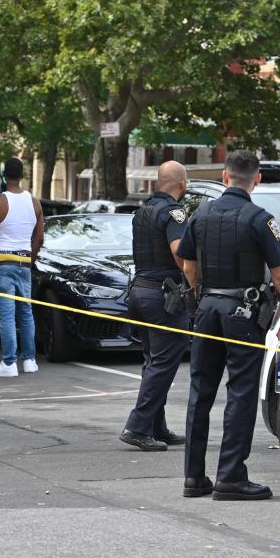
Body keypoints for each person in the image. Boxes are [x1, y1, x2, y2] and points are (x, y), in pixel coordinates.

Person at [176, 150, 280, 501]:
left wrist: (202, 294)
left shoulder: (201, 214)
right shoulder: (260, 219)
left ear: (224, 176)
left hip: (208, 308)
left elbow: (187, 265)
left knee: (201, 392)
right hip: (243, 312)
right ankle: (230, 476)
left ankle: (194, 477)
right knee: (241, 392)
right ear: (257, 179)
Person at [119, 161, 191, 452]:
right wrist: (194, 280)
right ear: (182, 184)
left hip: (140, 293)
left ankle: (155, 425)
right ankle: (137, 426)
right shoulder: (175, 212)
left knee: (153, 361)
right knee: (164, 362)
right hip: (164, 297)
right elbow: (178, 253)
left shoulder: (143, 211)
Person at [0, 157, 44, 378]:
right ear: (22, 176)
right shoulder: (34, 202)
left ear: (4, 176)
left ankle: (8, 363)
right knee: (26, 312)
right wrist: (30, 259)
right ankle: (29, 360)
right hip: (24, 263)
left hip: (3, 263)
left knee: (7, 315)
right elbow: (39, 238)